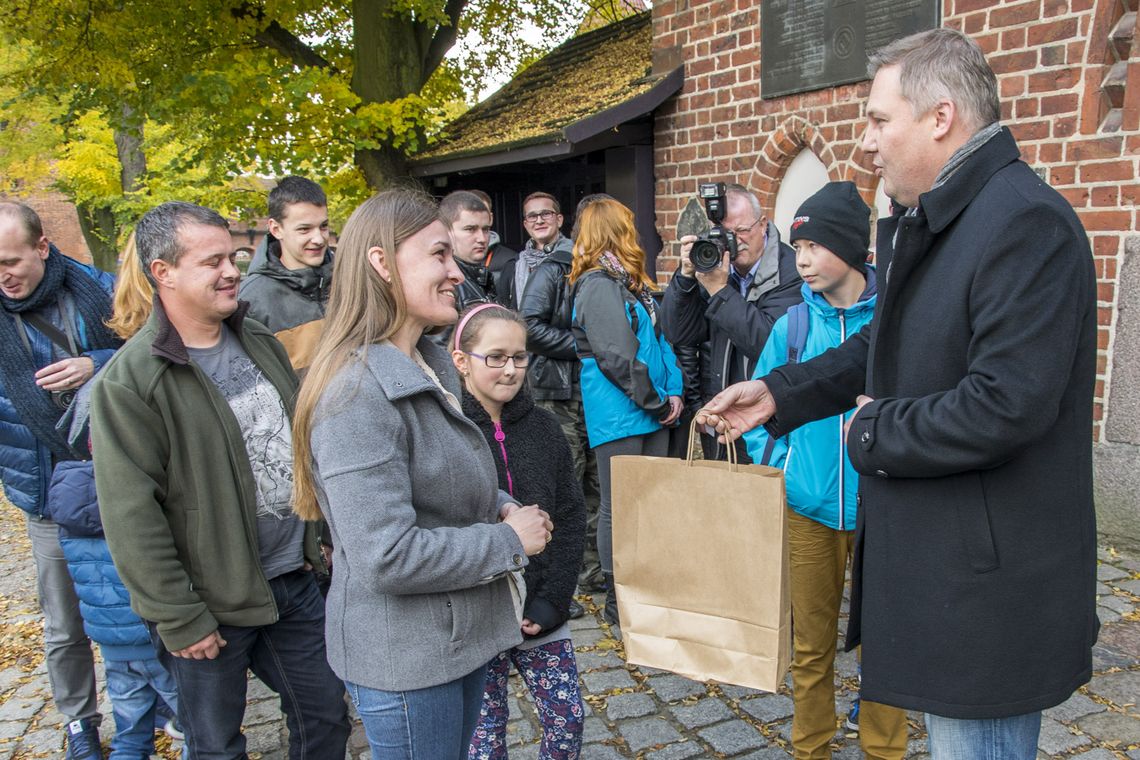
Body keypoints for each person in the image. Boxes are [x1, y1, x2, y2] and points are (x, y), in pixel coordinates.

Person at [698, 29, 1097, 760]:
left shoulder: (1022, 222)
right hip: (949, 579)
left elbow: (1007, 403)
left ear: (940, 117)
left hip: (984, 596)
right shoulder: (952, 220)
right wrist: (778, 394)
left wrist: (869, 433)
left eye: (880, 120)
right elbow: (881, 350)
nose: (868, 142)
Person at [289, 188, 553, 759]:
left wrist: (501, 500)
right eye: (438, 255)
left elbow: (444, 480)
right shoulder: (357, 394)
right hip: (407, 659)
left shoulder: (430, 364)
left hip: (455, 640)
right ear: (381, 263)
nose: (455, 271)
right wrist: (508, 540)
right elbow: (384, 555)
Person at [90, 201, 351, 759]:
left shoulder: (256, 339)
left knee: (327, 718)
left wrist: (315, 538)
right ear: (164, 273)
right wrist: (181, 619)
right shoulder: (132, 382)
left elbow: (297, 444)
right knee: (216, 747)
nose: (232, 270)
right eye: (212, 262)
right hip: (209, 607)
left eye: (232, 256)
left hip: (292, 583)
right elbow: (131, 515)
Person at [741, 181, 907, 760]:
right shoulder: (791, 328)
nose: (802, 258)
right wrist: (789, 472)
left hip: (883, 511)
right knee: (811, 646)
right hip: (808, 509)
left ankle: (884, 748)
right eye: (797, 245)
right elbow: (760, 410)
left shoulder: (896, 322)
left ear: (853, 248)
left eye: (814, 245)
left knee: (885, 646)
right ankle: (811, 747)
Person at [0, 201, 119, 759]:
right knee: (64, 622)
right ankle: (79, 723)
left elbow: (158, 343)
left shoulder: (100, 289)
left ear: (43, 247)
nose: (3, 275)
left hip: (121, 474)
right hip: (45, 486)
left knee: (143, 600)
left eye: (9, 260)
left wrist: (97, 362)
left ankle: (162, 706)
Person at [452, 303, 586, 760]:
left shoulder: (545, 428)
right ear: (461, 360)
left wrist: (553, 599)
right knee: (483, 738)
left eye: (520, 357)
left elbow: (569, 515)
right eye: (495, 357)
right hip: (479, 614)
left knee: (567, 720)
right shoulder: (448, 431)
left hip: (541, 606)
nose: (510, 370)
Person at [47, 386, 185, 760]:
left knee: (130, 730)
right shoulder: (135, 492)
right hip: (154, 638)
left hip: (112, 645)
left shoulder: (68, 493)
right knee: (193, 723)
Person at [568, 198, 683, 629]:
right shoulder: (597, 284)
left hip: (651, 407)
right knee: (622, 506)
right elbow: (616, 355)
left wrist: (674, 392)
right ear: (615, 229)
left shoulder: (629, 283)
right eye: (629, 224)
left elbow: (658, 341)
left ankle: (649, 584)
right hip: (620, 413)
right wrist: (655, 400)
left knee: (651, 502)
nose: (636, 230)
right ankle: (620, 597)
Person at [660, 183, 801, 462]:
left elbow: (767, 343)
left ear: (763, 224)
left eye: (742, 231)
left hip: (769, 416)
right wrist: (686, 278)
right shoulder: (714, 268)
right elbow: (677, 332)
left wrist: (720, 292)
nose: (735, 241)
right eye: (726, 234)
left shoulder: (792, 270)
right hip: (720, 414)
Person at [516, 191, 603, 603]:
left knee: (594, 485)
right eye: (531, 216)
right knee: (563, 484)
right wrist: (582, 346)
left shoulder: (588, 266)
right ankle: (556, 582)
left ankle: (589, 570)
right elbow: (527, 327)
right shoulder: (554, 268)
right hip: (556, 390)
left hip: (589, 391)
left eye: (545, 213)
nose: (539, 220)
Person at [239, 175, 333, 373]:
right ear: (276, 229)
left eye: (323, 226)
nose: (318, 239)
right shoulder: (252, 301)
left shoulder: (351, 279)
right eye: (304, 229)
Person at [469, 189, 517, 294]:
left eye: (482, 211)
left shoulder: (512, 260)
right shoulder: (446, 260)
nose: (478, 216)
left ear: (491, 218)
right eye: (472, 211)